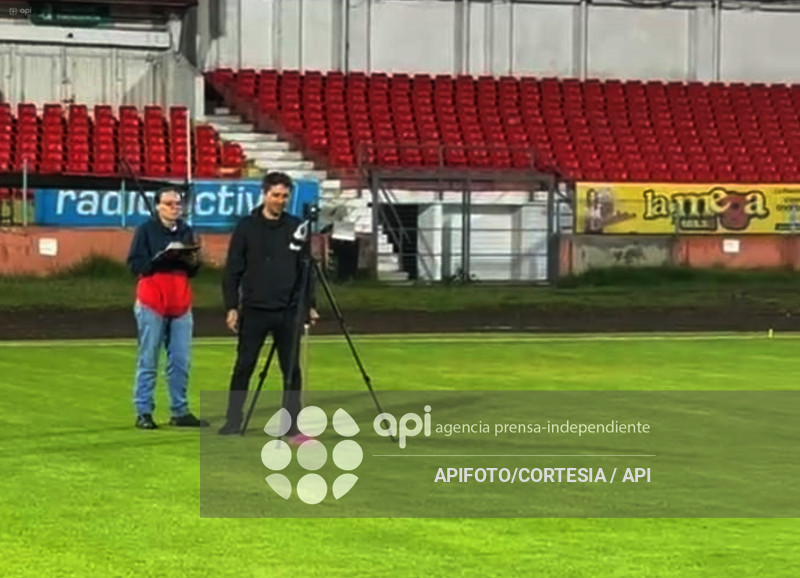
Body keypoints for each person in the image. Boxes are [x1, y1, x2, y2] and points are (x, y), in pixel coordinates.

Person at [218, 171, 319, 439]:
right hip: (254, 309)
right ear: (264, 194)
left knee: (291, 370)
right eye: (276, 195)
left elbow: (307, 269)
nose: (280, 200)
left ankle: (291, 423)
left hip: (289, 310)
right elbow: (233, 269)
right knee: (244, 365)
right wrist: (231, 306)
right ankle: (233, 419)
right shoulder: (246, 227)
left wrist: (310, 303)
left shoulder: (296, 227)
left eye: (285, 196)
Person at [126, 187, 209, 430]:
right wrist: (160, 259)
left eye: (178, 204)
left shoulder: (186, 231)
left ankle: (180, 410)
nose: (175, 208)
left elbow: (191, 271)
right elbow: (135, 263)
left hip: (180, 300)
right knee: (149, 358)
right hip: (153, 299)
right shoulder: (145, 231)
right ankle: (143, 410)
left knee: (181, 360)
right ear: (158, 206)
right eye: (170, 204)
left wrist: (194, 260)